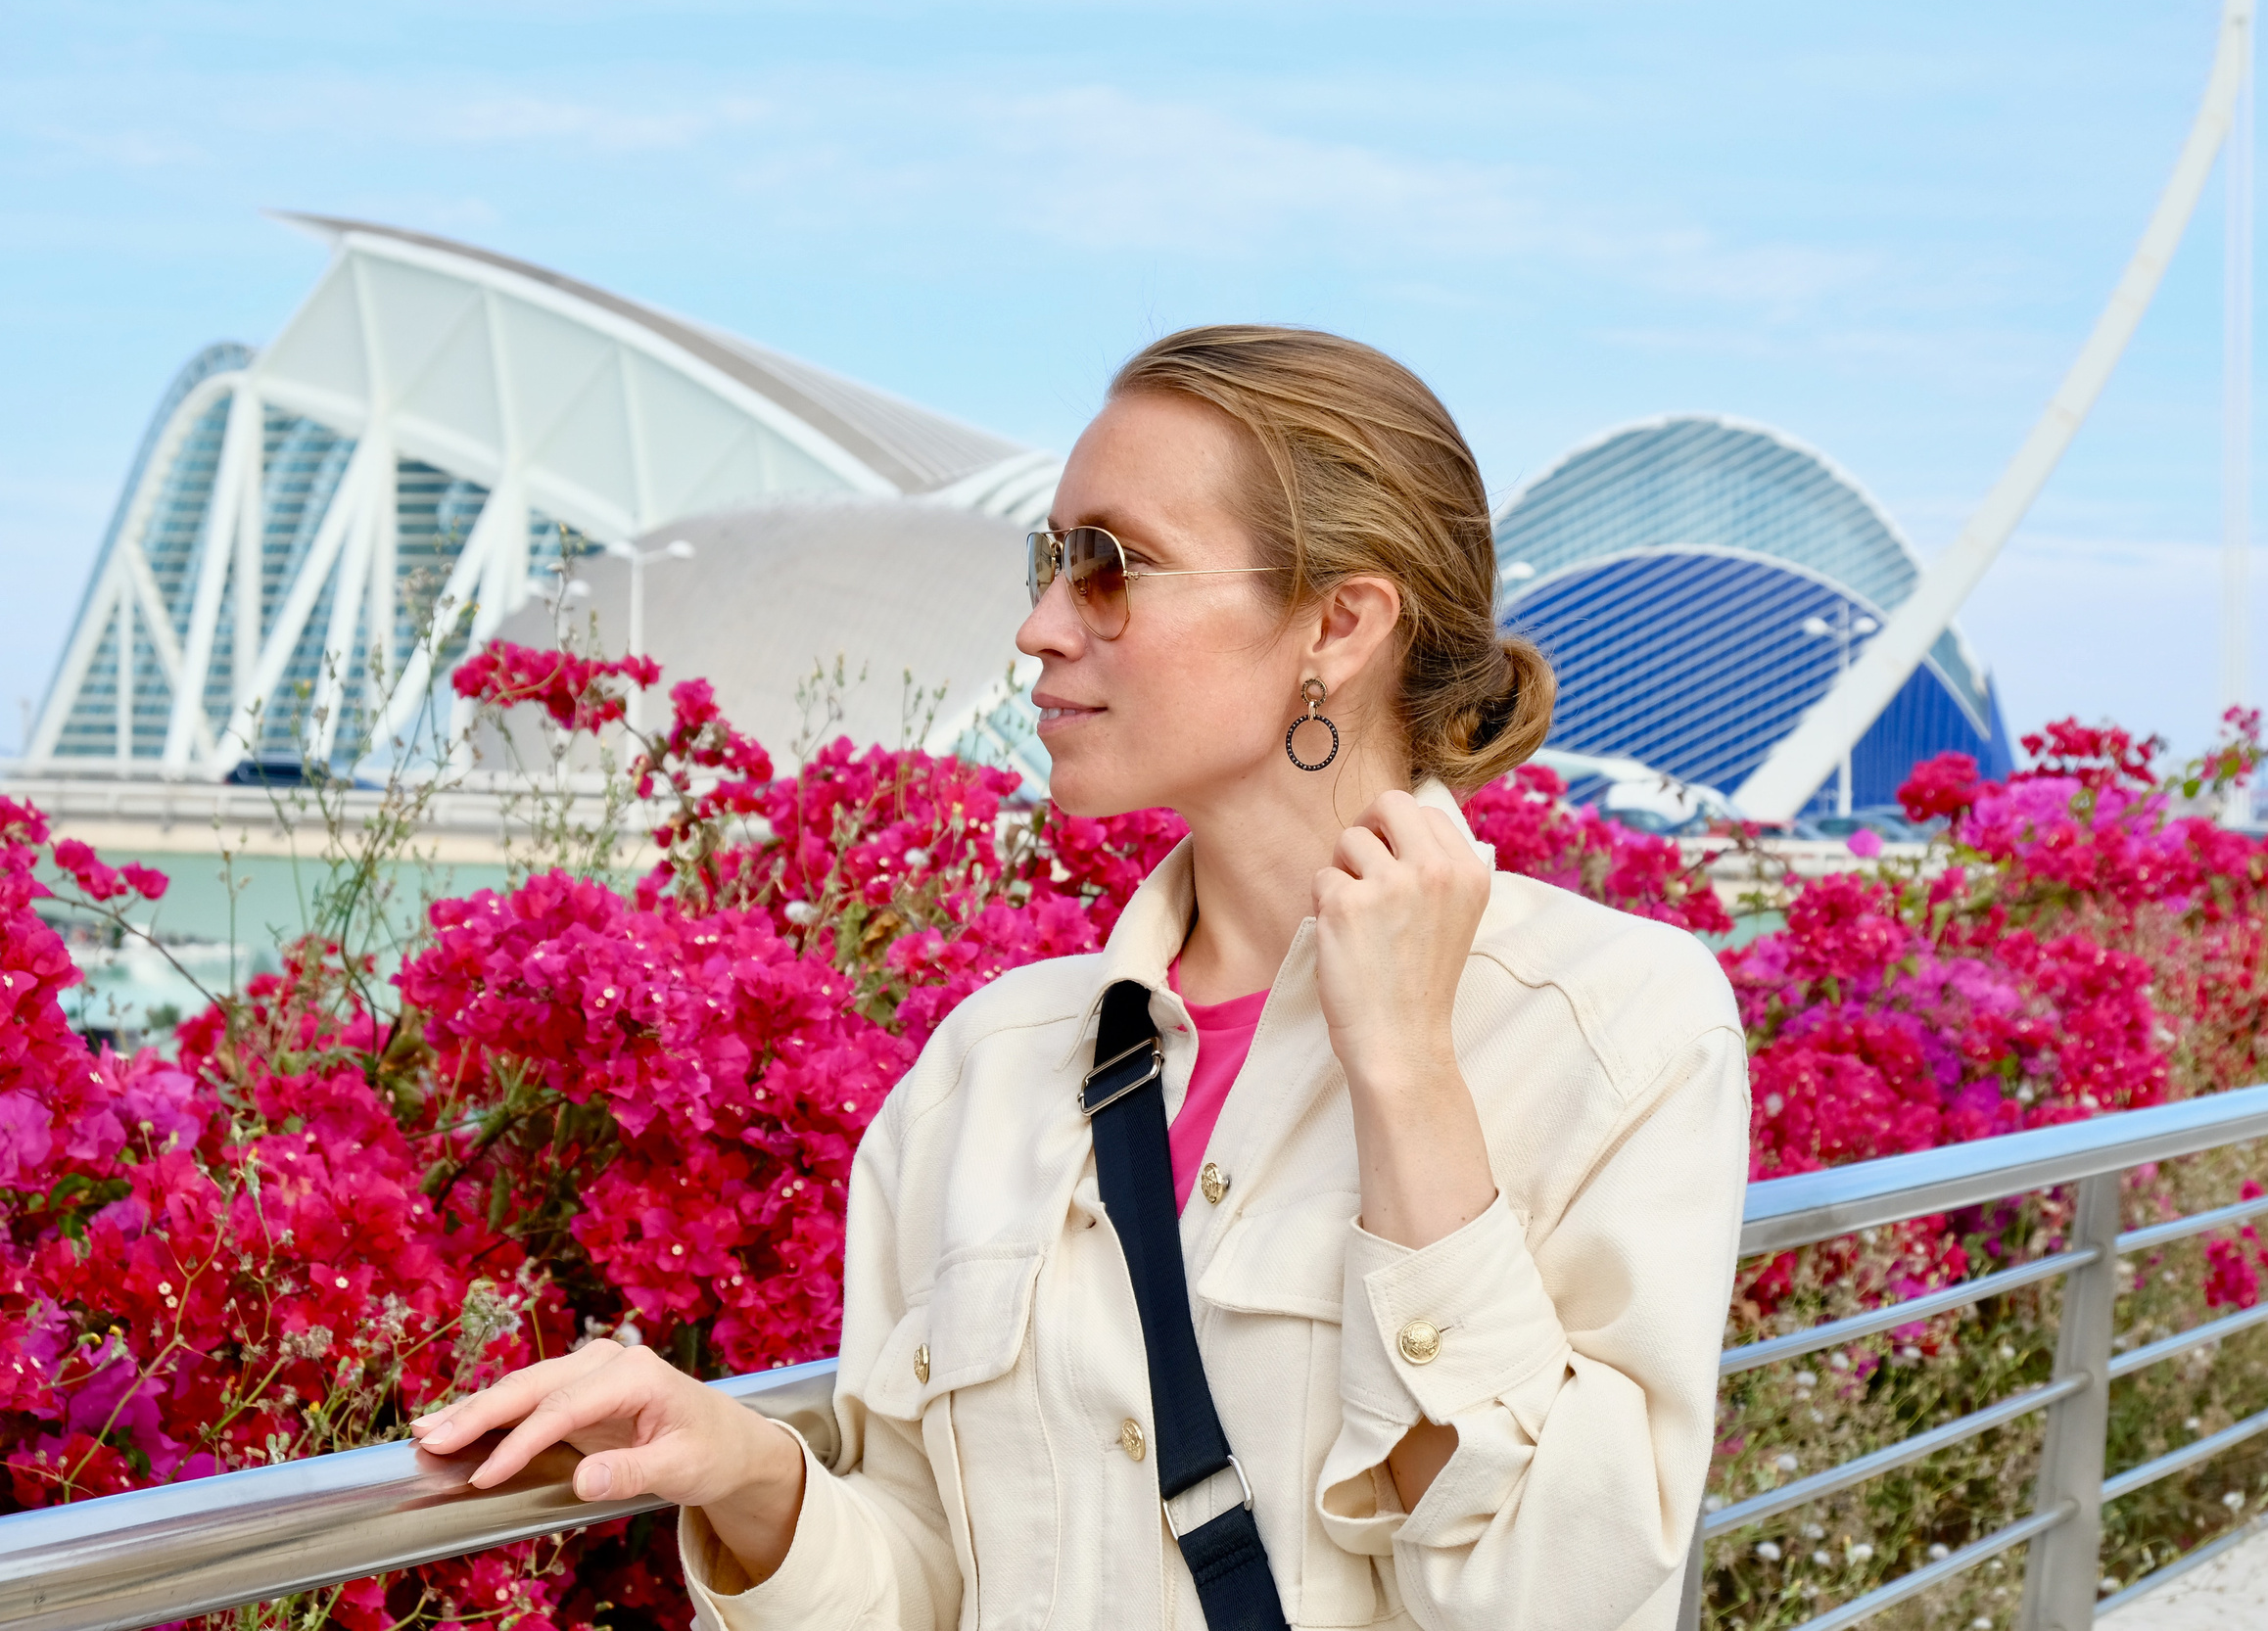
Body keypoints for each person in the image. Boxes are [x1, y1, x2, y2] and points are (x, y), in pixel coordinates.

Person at [413, 326, 1749, 1630]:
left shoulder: (1613, 1029)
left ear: (1339, 622)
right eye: (1051, 561)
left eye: (1111, 568)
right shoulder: (989, 1068)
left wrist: (1405, 1073)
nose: (1040, 626)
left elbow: (1557, 1598)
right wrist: (758, 1478)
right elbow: (933, 1585)